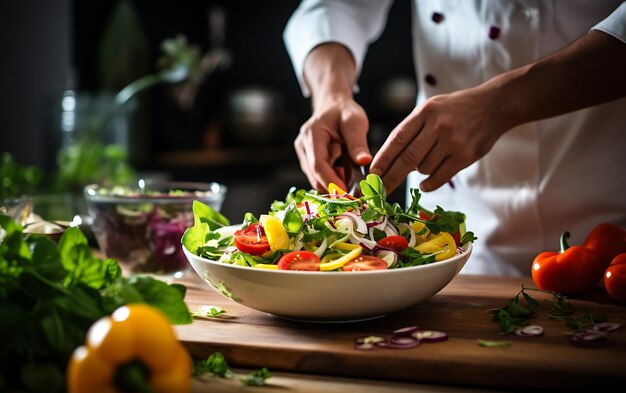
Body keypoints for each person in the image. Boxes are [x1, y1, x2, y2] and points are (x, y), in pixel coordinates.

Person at [283, 0, 626, 276]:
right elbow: (336, 6)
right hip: (453, 247)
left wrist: (500, 104)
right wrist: (331, 95)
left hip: (603, 236)